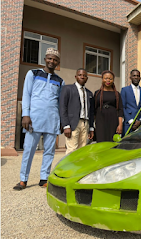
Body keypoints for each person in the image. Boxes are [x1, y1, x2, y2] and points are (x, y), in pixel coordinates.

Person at [13, 48, 64, 190]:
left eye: (55, 59)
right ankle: (23, 179)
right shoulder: (33, 74)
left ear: (58, 62)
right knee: (29, 149)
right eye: (49, 58)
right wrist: (25, 115)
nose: (52, 61)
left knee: (49, 150)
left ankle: (44, 178)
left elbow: (60, 103)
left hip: (52, 120)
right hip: (34, 119)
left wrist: (60, 121)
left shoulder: (60, 81)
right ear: (45, 58)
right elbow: (26, 95)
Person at [59, 68, 94, 154]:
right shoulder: (68, 89)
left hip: (85, 124)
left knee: (82, 150)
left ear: (87, 78)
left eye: (84, 75)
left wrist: (91, 127)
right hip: (73, 123)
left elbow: (91, 112)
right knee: (72, 149)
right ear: (76, 76)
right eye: (80, 75)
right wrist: (66, 125)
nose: (82, 77)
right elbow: (63, 107)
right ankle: (68, 168)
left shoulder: (89, 93)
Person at [94, 70, 123, 142]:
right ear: (102, 79)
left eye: (110, 79)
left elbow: (120, 110)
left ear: (113, 80)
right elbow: (93, 110)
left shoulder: (117, 94)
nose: (108, 80)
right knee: (101, 141)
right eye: (106, 78)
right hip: (100, 121)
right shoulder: (97, 93)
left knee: (112, 142)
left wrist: (120, 125)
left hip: (113, 121)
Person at [121, 69, 141, 134]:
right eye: (134, 76)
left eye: (137, 76)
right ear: (130, 77)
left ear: (140, 78)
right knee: (127, 143)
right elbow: (122, 107)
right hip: (128, 124)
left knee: (140, 144)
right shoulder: (124, 90)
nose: (136, 77)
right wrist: (131, 121)